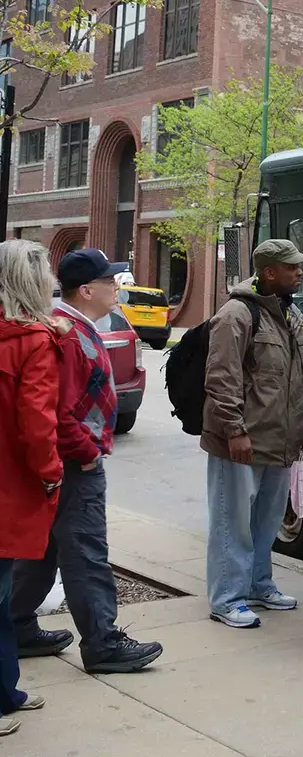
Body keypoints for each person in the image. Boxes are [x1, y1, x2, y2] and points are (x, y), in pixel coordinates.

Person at [11, 249, 163, 673]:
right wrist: (88, 454)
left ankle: (15, 623)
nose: (118, 287)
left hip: (65, 462)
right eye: (110, 281)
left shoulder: (77, 328)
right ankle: (103, 643)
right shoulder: (69, 335)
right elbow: (59, 412)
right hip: (75, 465)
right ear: (86, 290)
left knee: (45, 549)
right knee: (86, 550)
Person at [203, 240, 303, 629]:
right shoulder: (236, 314)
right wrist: (235, 430)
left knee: (266, 521)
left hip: (279, 440)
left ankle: (257, 585)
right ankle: (227, 598)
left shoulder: (292, 313)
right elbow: (222, 377)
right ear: (269, 272)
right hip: (241, 440)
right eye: (292, 267)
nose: (299, 272)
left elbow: (300, 379)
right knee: (231, 521)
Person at [0, 242, 64, 736]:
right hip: (10, 487)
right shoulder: (33, 342)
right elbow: (37, 425)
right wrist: (51, 473)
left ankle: (8, 691)